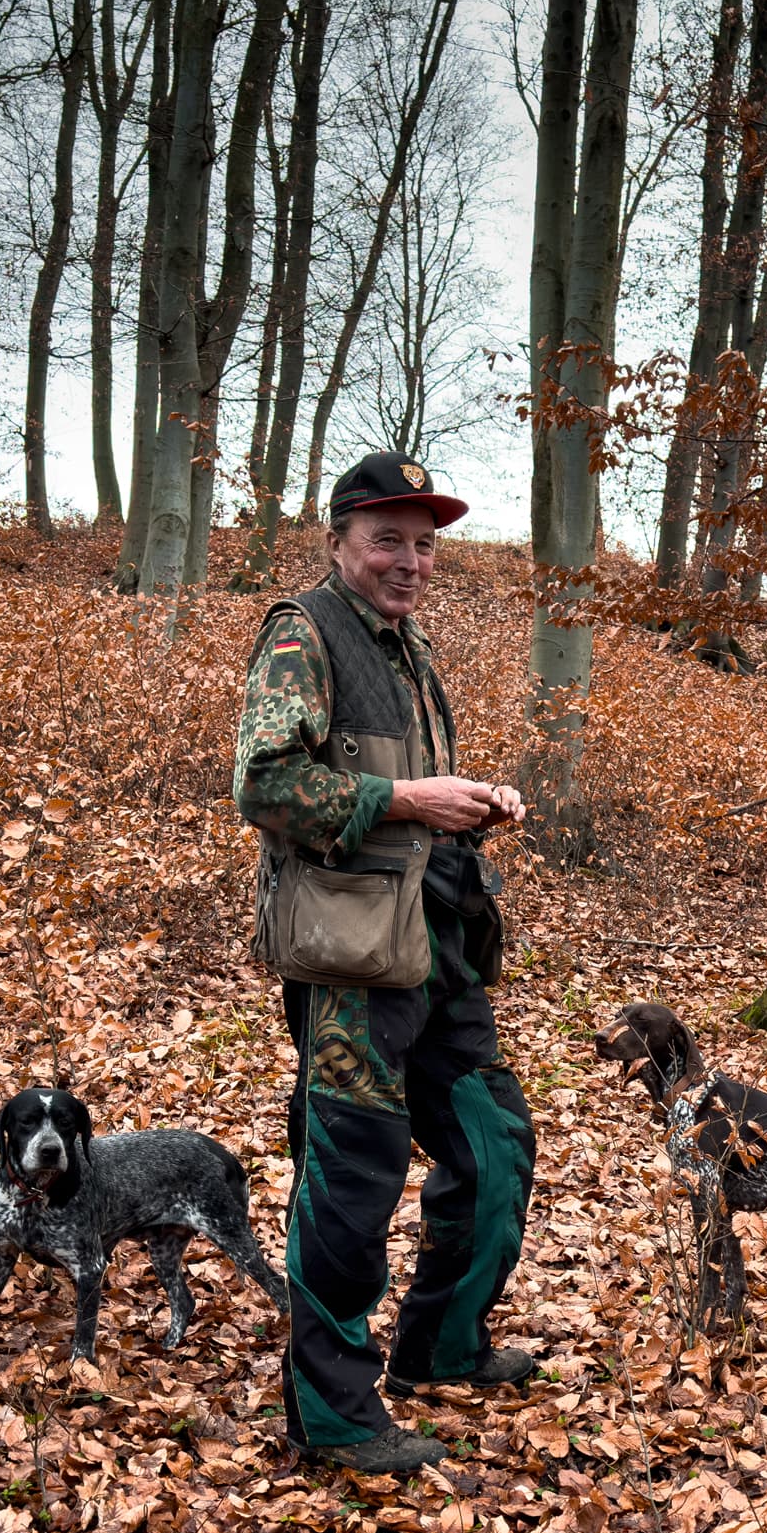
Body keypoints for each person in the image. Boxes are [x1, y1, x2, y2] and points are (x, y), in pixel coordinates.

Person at [233, 452, 540, 1475]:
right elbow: (267, 785)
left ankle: (441, 1347)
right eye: (387, 540)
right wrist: (406, 804)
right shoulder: (302, 634)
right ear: (338, 541)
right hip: (354, 960)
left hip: (440, 945)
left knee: (495, 1147)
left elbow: (408, 792)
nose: (409, 561)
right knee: (353, 1183)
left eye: (423, 543)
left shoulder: (406, 648)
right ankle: (334, 1414)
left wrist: (476, 803)